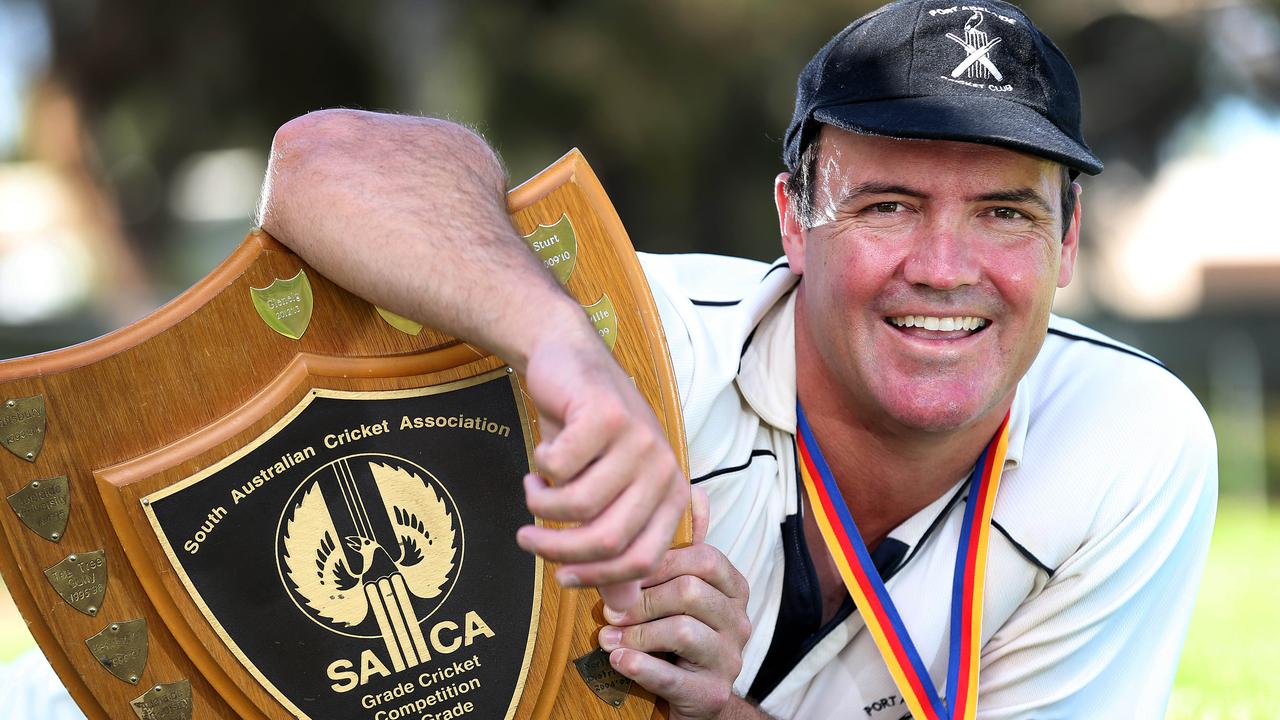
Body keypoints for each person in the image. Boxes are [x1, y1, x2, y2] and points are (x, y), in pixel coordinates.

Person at [258, 1, 1217, 717]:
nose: (942, 270)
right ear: (793, 222)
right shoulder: (644, 331)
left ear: (1066, 240)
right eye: (886, 205)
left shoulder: (1131, 439)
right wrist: (566, 352)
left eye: (1005, 213)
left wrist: (712, 711)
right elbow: (325, 158)